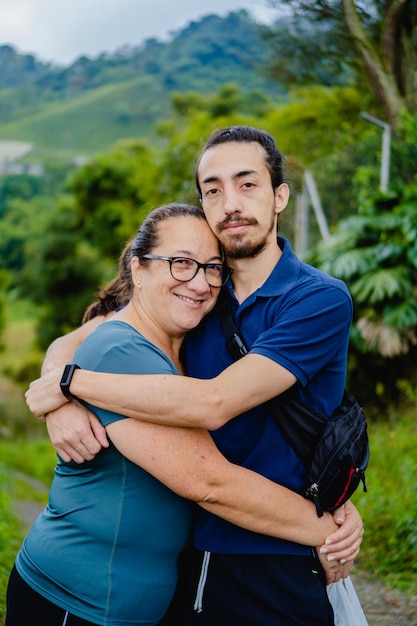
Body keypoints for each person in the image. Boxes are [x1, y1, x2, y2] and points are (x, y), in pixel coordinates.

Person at [26, 127, 365, 625]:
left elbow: (214, 403)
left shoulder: (317, 298)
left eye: (247, 184)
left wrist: (72, 386)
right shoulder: (198, 290)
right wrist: (61, 397)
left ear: (280, 197)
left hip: (272, 557)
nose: (230, 203)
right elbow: (81, 339)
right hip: (187, 557)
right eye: (212, 189)